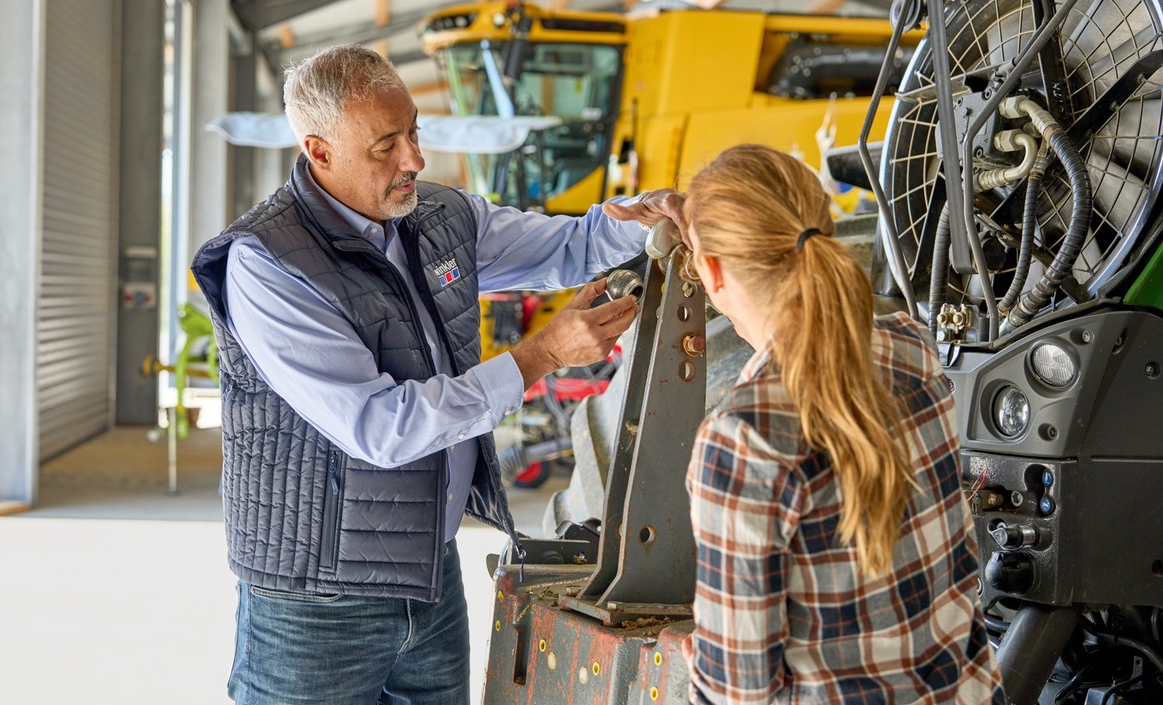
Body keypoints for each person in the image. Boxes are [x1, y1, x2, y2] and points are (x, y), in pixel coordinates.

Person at [189, 43, 681, 704]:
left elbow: (572, 245)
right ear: (319, 151)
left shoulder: (438, 218)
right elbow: (380, 428)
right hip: (320, 602)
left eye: (414, 131)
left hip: (430, 571)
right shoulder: (271, 265)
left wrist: (647, 214)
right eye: (385, 146)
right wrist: (539, 355)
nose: (413, 160)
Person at [679, 144, 1004, 704]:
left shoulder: (741, 439)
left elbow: (738, 694)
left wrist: (703, 665)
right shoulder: (912, 347)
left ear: (709, 269)